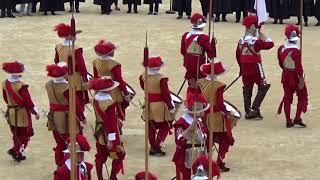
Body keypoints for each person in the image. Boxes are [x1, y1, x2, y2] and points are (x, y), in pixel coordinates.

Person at [45, 63, 87, 166]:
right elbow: (75, 104)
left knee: (59, 143)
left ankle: (59, 164)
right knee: (71, 142)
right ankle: (68, 165)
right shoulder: (67, 87)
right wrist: (82, 117)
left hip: (54, 116)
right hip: (67, 118)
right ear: (65, 74)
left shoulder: (48, 84)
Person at [236, 15, 274, 120]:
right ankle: (255, 108)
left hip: (244, 67)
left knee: (247, 87)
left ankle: (248, 110)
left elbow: (238, 56)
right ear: (253, 26)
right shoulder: (256, 41)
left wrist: (241, 69)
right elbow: (270, 44)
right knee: (263, 86)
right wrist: (261, 35)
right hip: (255, 67)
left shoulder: (241, 41)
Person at [2, 61, 40, 162]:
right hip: (22, 114)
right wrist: (35, 112)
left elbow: (5, 98)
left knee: (16, 133)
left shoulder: (4, 82)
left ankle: (15, 148)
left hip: (11, 111)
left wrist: (11, 105)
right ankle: (16, 151)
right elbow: (28, 101)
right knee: (24, 134)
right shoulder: (22, 85)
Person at [200, 61, 234, 172]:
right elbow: (219, 104)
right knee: (224, 139)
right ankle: (219, 162)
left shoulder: (201, 82)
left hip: (204, 115)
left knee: (207, 141)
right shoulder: (219, 86)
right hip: (215, 117)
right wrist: (227, 112)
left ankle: (204, 162)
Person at [139, 56, 175, 156]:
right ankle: (156, 146)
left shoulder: (143, 76)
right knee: (165, 125)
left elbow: (143, 87)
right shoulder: (162, 79)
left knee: (151, 126)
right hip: (159, 106)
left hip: (147, 104)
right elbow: (166, 94)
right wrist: (171, 106)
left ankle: (153, 146)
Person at [91, 76, 125, 180]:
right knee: (120, 154)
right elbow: (111, 124)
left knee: (100, 156)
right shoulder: (110, 104)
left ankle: (100, 178)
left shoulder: (94, 99)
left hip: (99, 131)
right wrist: (111, 140)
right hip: (109, 133)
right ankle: (113, 176)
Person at [93, 40, 131, 127]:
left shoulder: (95, 62)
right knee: (117, 112)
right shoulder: (114, 64)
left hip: (99, 91)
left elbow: (95, 79)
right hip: (113, 91)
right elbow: (119, 80)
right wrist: (126, 93)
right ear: (110, 52)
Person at [172, 91, 209, 180]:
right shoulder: (181, 123)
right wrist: (190, 129)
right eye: (199, 110)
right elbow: (179, 141)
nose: (201, 113)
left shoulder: (199, 121)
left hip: (200, 157)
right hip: (186, 157)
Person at [277, 24, 308, 128]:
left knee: (287, 97)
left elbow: (281, 64)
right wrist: (302, 79)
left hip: (285, 75)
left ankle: (288, 120)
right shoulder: (296, 52)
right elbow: (299, 68)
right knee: (303, 95)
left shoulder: (281, 49)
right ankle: (297, 118)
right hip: (295, 76)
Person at [54, 23, 90, 110]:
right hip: (75, 77)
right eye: (74, 35)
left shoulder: (58, 47)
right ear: (70, 36)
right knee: (78, 99)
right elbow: (82, 65)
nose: (76, 37)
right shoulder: (76, 48)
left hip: (63, 77)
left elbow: (56, 61)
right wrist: (85, 79)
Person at [180, 13, 216, 93]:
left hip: (188, 62)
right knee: (200, 84)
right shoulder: (203, 37)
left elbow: (183, 51)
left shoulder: (185, 35)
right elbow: (211, 54)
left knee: (191, 83)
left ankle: (190, 100)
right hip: (199, 63)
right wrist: (213, 45)